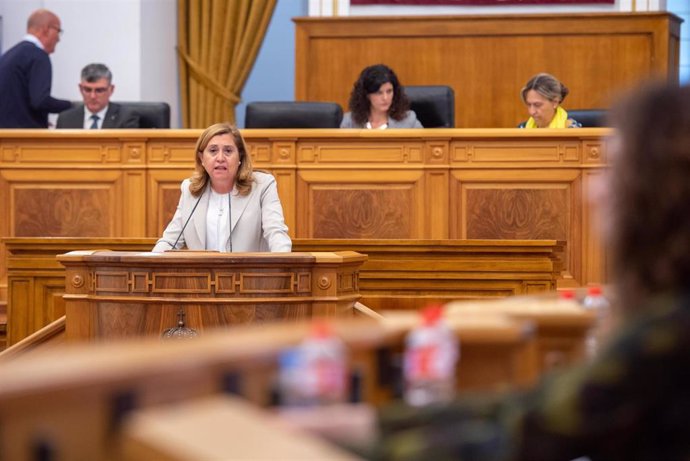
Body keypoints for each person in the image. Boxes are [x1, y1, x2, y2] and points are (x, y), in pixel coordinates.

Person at [286, 83, 690, 460]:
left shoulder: (672, 331)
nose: (592, 190)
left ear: (662, 191)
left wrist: (354, 438)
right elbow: (527, 408)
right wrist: (368, 422)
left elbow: (517, 434)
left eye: (614, 171)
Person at [152, 122, 291, 253]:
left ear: (240, 156)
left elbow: (276, 233)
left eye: (228, 151)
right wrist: (150, 264)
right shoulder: (190, 189)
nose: (220, 158)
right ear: (201, 158)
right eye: (213, 151)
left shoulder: (262, 186)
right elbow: (170, 242)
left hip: (250, 277)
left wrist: (284, 265)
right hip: (203, 278)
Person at [0, 9, 71, 128]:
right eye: (58, 31)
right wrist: (71, 107)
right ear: (46, 28)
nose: (58, 38)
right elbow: (40, 101)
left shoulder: (8, 56)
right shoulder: (38, 56)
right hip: (26, 140)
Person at [56, 63, 140, 129]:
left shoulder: (126, 118)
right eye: (88, 90)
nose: (93, 96)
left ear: (111, 89)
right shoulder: (65, 119)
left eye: (99, 91)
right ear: (80, 89)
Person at [340, 64, 422, 129]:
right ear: (367, 95)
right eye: (379, 93)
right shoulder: (349, 122)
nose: (385, 98)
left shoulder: (409, 121)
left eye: (389, 91)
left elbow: (424, 148)